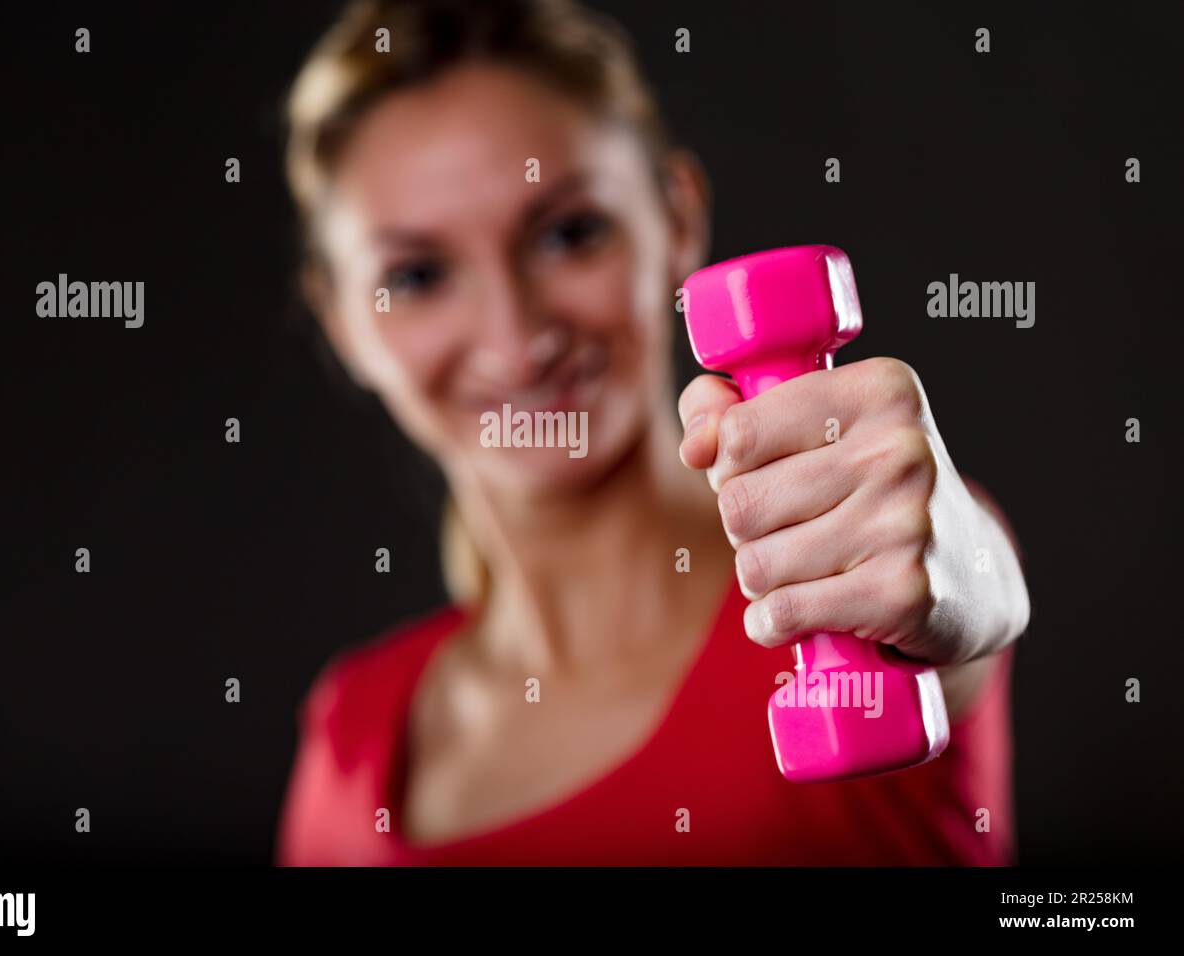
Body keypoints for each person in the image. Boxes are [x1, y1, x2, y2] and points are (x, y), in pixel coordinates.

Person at [275, 0, 1030, 865]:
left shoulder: (854, 582)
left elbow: (968, 581)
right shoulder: (352, 735)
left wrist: (970, 579)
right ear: (340, 321)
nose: (516, 338)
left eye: (569, 233)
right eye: (416, 276)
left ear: (676, 218)